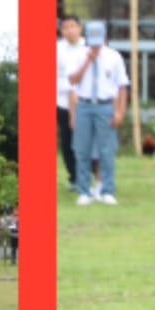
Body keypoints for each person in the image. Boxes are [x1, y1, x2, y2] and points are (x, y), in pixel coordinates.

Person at [67, 20, 129, 205]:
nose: (95, 45)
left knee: (106, 150)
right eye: (92, 40)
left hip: (105, 105)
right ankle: (84, 191)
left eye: (98, 40)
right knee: (82, 149)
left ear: (105, 38)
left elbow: (122, 86)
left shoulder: (114, 56)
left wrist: (120, 111)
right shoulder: (77, 55)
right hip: (84, 105)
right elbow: (72, 80)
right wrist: (88, 61)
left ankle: (107, 190)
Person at [57, 14, 88, 193]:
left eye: (73, 26)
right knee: (68, 140)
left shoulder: (89, 47)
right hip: (62, 101)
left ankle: (87, 175)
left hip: (85, 99)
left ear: (79, 28)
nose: (70, 30)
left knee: (85, 141)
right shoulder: (57, 49)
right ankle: (74, 177)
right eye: (66, 27)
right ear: (62, 30)